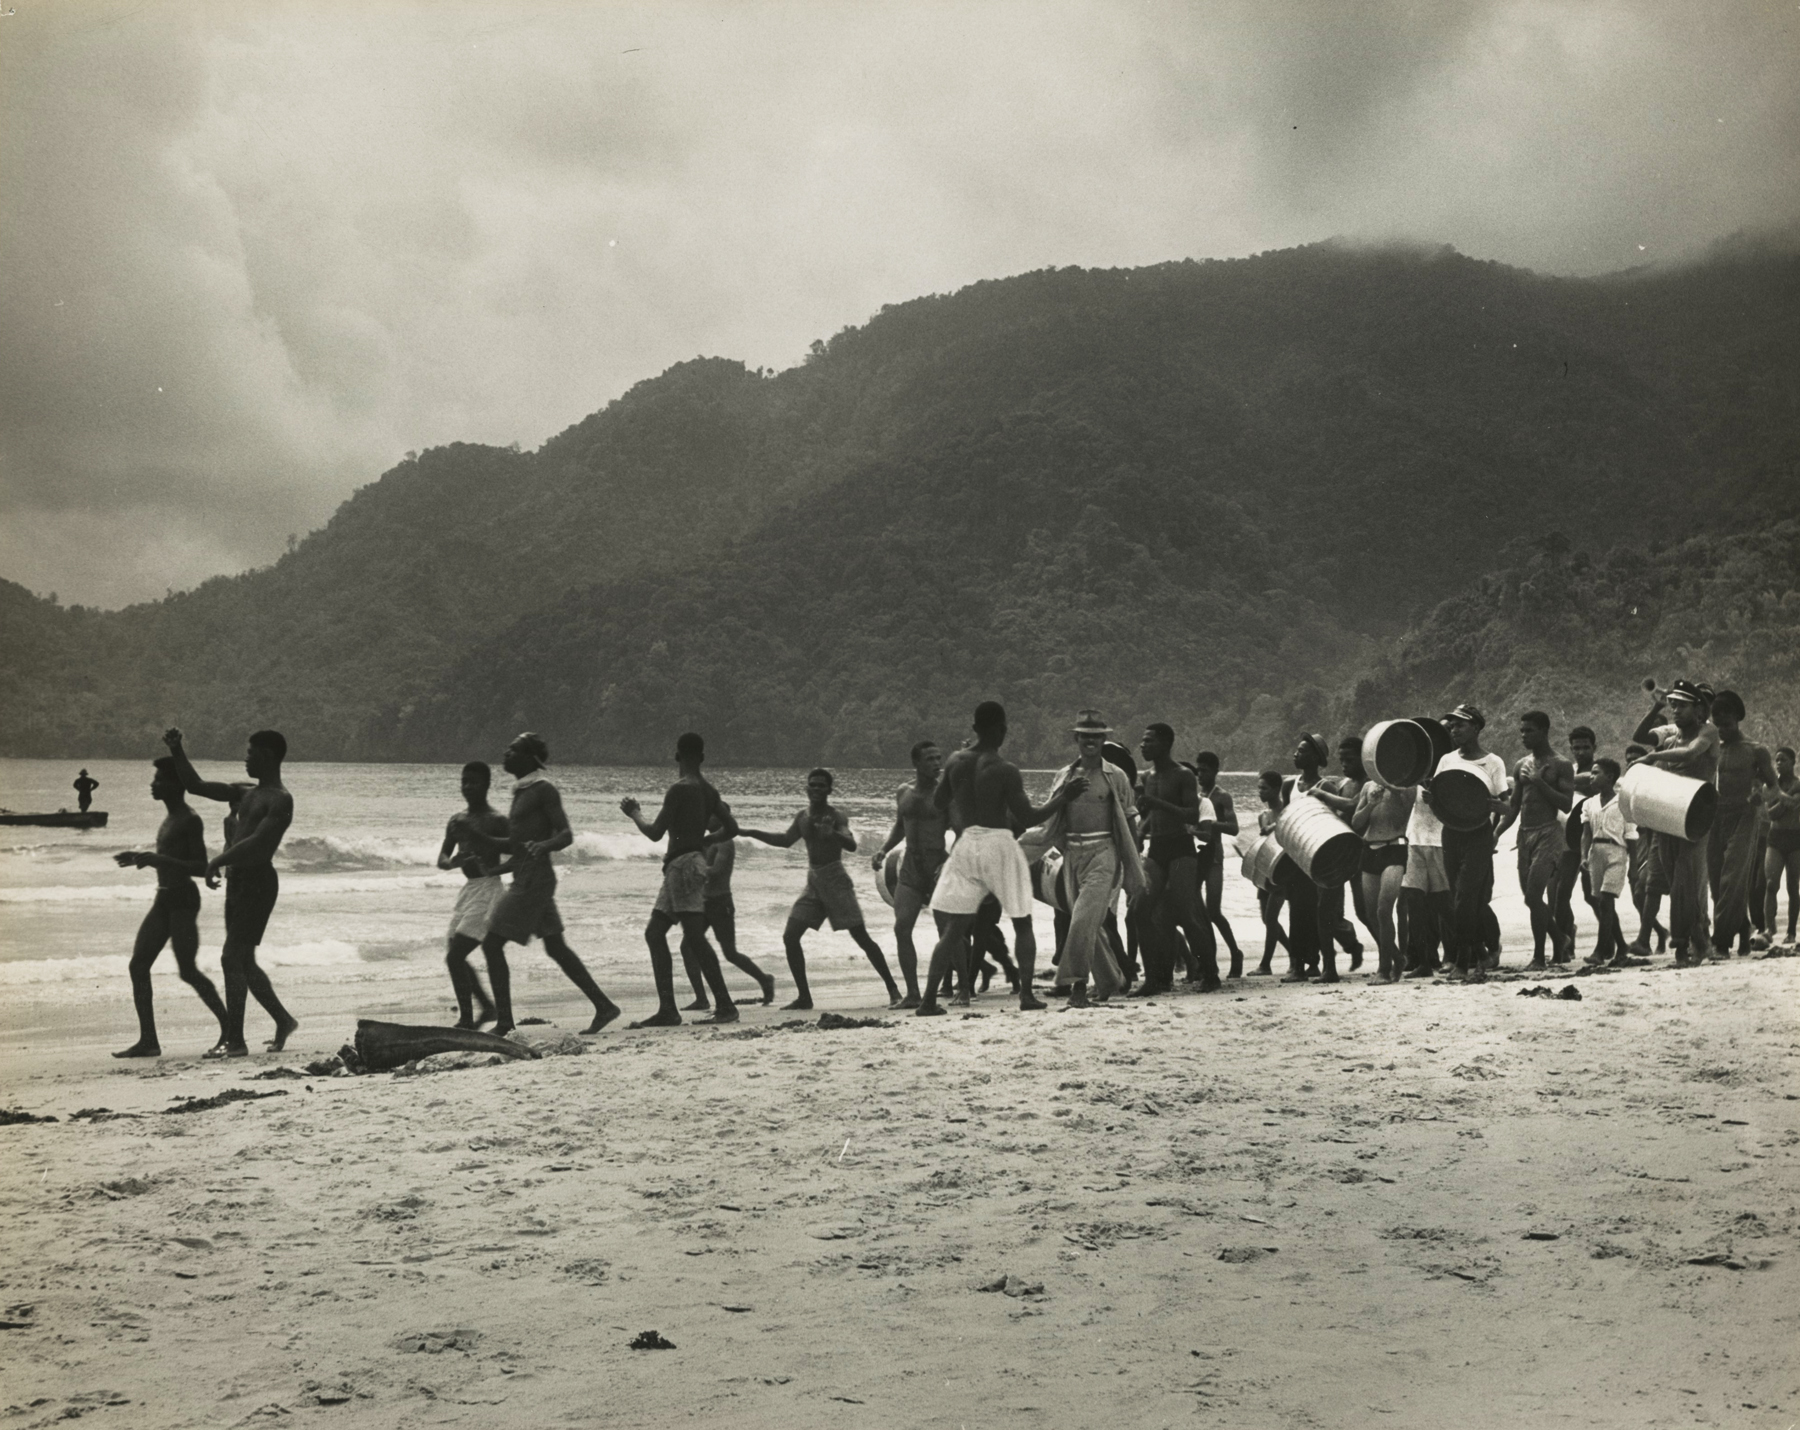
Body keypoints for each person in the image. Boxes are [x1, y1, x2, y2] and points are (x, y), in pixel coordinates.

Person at [916, 701, 1087, 1016]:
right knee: (1022, 921)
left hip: (966, 843)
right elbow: (1029, 816)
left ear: (974, 728)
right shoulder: (1005, 770)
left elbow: (939, 803)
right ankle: (1026, 996)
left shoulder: (955, 761)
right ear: (1002, 729)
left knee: (953, 929)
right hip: (998, 843)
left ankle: (928, 1001)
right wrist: (1064, 798)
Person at [463, 732, 621, 1035]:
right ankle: (604, 1007)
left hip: (534, 881)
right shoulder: (522, 792)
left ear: (530, 758)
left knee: (492, 944)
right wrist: (483, 844)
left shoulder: (543, 789)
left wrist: (544, 846)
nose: (506, 753)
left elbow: (566, 834)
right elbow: (517, 845)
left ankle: (505, 1022)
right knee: (556, 947)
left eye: (513, 749)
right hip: (529, 877)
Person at [161, 727, 300, 1057]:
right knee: (244, 961)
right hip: (237, 882)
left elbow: (259, 842)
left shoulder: (280, 799)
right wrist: (177, 749)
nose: (246, 759)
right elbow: (195, 786)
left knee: (230, 958)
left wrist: (218, 860)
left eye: (251, 753)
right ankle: (283, 1020)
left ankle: (236, 1040)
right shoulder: (244, 793)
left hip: (258, 883)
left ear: (267, 756)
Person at [737, 768, 901, 1010]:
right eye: (812, 785)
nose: (815, 789)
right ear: (806, 788)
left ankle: (893, 990)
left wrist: (832, 834)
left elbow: (852, 845)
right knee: (790, 936)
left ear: (829, 790)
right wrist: (750, 832)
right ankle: (804, 997)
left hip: (836, 880)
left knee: (861, 937)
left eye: (821, 785)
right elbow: (785, 840)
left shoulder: (836, 816)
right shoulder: (802, 817)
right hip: (814, 882)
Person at [1019, 710, 1145, 1008]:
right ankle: (1110, 980)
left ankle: (1077, 987)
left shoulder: (1116, 776)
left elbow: (1129, 821)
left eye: (1096, 736)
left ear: (1103, 739)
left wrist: (1133, 864)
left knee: (1081, 920)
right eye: (1085, 736)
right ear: (1076, 738)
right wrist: (1064, 796)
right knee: (1090, 924)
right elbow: (1052, 817)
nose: (1091, 741)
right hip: (1071, 856)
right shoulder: (1064, 776)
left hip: (1104, 854)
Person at [619, 732, 742, 1026]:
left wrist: (634, 813)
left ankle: (725, 1005)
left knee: (694, 938)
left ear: (677, 755)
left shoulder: (679, 789)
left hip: (682, 867)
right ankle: (668, 1009)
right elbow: (732, 828)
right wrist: (704, 840)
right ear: (702, 757)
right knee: (655, 933)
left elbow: (655, 833)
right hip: (685, 864)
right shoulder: (709, 791)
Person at [110, 756, 230, 1057]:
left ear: (177, 784)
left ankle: (230, 1031)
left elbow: (201, 866)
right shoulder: (170, 818)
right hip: (164, 898)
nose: (153, 784)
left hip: (183, 900)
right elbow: (172, 857)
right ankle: (149, 1041)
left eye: (160, 779)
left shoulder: (189, 819)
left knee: (188, 971)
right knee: (138, 966)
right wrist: (140, 858)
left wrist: (159, 860)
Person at [1631, 681, 1722, 965]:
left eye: (1682, 706)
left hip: (1697, 816)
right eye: (1673, 705)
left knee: (1685, 880)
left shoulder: (1708, 732)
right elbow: (1639, 736)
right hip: (1668, 815)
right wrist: (1655, 707)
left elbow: (1691, 753)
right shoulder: (1671, 735)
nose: (1676, 711)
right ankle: (1699, 939)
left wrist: (1654, 756)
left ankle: (1683, 946)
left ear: (1699, 709)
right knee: (1675, 882)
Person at [1421, 705, 1509, 982]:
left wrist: (1499, 811)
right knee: (1459, 897)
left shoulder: (1493, 762)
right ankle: (1480, 953)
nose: (1454, 729)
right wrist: (1430, 799)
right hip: (1451, 832)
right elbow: (1440, 796)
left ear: (1476, 728)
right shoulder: (1446, 759)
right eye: (1452, 725)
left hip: (1479, 834)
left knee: (1465, 898)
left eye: (1460, 725)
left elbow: (1507, 804)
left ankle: (1463, 961)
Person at [1137, 723, 1220, 992]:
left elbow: (1192, 815)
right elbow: (1152, 814)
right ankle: (1154, 979)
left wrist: (1157, 804)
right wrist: (1141, 831)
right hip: (1157, 849)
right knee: (1140, 911)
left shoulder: (1183, 775)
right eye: (1143, 740)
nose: (1143, 745)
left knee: (1185, 913)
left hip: (1181, 848)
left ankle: (1210, 974)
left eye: (1149, 741)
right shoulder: (1147, 776)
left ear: (1165, 744)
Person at [1494, 711, 1576, 968]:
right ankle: (1555, 944)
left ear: (1544, 731)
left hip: (1549, 833)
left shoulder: (1561, 764)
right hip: (1524, 834)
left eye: (1529, 730)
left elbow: (1566, 804)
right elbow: (1514, 807)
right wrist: (1496, 833)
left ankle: (1544, 952)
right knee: (1532, 899)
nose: (1523, 735)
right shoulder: (1521, 765)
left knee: (1532, 896)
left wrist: (1540, 783)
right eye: (1521, 731)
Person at [871, 741, 949, 1007]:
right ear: (916, 763)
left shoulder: (944, 794)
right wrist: (883, 850)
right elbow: (900, 826)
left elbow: (962, 831)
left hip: (937, 864)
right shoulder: (903, 792)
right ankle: (913, 994)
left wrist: (951, 864)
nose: (937, 763)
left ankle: (963, 987)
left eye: (939, 758)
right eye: (930, 759)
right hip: (911, 867)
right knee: (902, 928)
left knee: (947, 931)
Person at [677, 809, 778, 1010]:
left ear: (721, 817)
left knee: (730, 953)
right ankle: (701, 998)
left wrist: (693, 868)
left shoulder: (725, 841)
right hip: (703, 902)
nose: (705, 817)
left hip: (720, 902)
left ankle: (764, 979)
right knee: (687, 947)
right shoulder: (706, 840)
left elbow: (717, 871)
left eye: (711, 814)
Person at [1706, 691, 1778, 956]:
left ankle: (1720, 942)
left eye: (1726, 724)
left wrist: (1760, 798)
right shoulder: (1710, 748)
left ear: (1737, 718)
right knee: (1716, 883)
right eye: (1717, 724)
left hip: (1744, 817)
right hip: (1714, 818)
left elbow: (1774, 787)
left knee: (1732, 879)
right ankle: (1743, 925)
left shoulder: (1755, 750)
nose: (1722, 730)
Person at [437, 761, 504, 1028]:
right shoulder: (457, 821)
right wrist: (453, 862)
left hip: (489, 889)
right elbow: (442, 858)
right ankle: (487, 1008)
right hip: (469, 891)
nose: (467, 787)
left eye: (473, 782)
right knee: (454, 955)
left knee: (455, 956)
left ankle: (468, 1018)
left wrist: (491, 865)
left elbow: (518, 851)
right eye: (464, 782)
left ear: (486, 785)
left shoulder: (496, 820)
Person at [1351, 774, 1414, 982]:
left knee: (1384, 909)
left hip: (1394, 849)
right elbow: (1356, 823)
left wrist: (1392, 790)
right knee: (1371, 914)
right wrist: (1371, 804)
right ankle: (1397, 957)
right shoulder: (1369, 786)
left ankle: (1384, 969)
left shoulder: (1407, 787)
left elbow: (1400, 820)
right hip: (1370, 849)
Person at [1578, 758, 1636, 967]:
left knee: (1607, 900)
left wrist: (1634, 866)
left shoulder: (1623, 803)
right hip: (1596, 852)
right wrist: (1584, 856)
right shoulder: (1589, 803)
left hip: (1616, 851)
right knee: (1604, 903)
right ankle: (1621, 946)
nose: (1591, 777)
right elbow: (1586, 834)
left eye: (1596, 773)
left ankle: (1599, 951)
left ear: (1610, 777)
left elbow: (1631, 836)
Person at [1193, 751, 1245, 975]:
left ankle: (1235, 952)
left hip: (1214, 857)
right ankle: (1205, 961)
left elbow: (1234, 828)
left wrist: (1209, 823)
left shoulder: (1222, 796)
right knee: (1196, 912)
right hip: (1196, 856)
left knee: (1213, 911)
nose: (1200, 775)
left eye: (1204, 771)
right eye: (1198, 770)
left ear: (1215, 771)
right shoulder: (1195, 796)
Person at [1556, 725, 1600, 948]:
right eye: (1576, 748)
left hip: (1594, 838)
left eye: (1585, 747)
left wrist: (1557, 779)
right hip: (1570, 837)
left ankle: (1610, 940)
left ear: (1594, 747)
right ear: (1571, 749)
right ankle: (1567, 936)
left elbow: (1587, 780)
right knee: (1561, 893)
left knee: (1592, 895)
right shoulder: (1570, 769)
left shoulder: (1600, 770)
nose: (1581, 752)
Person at [1250, 769, 1291, 976]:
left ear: (1276, 790)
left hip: (1283, 871)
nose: (1260, 792)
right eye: (1259, 788)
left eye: (1264, 789)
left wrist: (1273, 828)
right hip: (1267, 870)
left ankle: (1265, 964)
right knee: (1267, 919)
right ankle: (1293, 953)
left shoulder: (1286, 811)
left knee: (1271, 917)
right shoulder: (1263, 816)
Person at [1762, 746, 1800, 947]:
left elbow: (1794, 805)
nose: (1778, 764)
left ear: (1793, 762)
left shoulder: (1795, 784)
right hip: (1775, 837)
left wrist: (1781, 797)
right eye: (1776, 760)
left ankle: (1791, 931)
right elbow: (1771, 814)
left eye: (1783, 760)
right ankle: (1769, 928)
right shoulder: (1771, 786)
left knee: (1793, 886)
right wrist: (1788, 796)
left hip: (1795, 838)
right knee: (1770, 884)